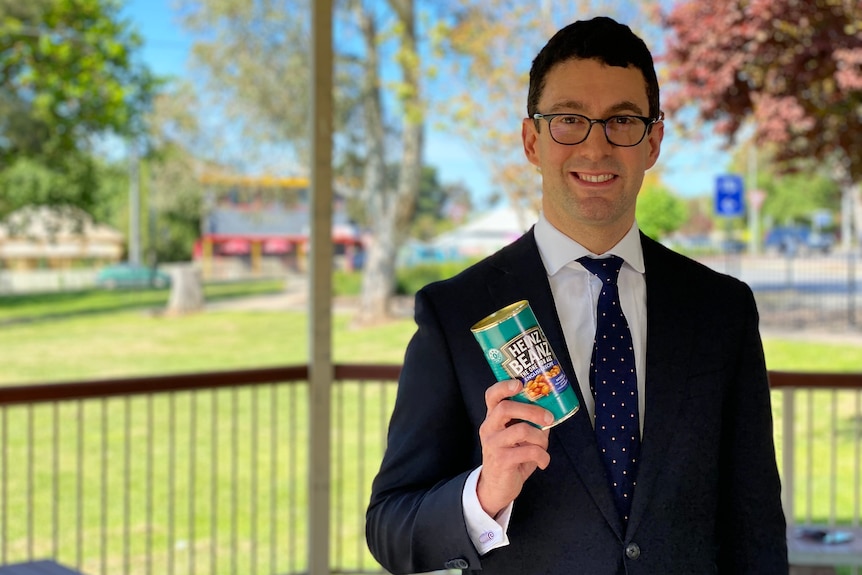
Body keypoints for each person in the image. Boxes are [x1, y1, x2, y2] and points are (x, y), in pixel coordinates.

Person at [366, 16, 788, 575]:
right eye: (568, 120)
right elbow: (391, 527)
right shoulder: (456, 312)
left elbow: (754, 523)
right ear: (531, 140)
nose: (595, 146)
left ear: (653, 140)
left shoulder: (722, 309)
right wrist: (484, 494)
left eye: (622, 120)